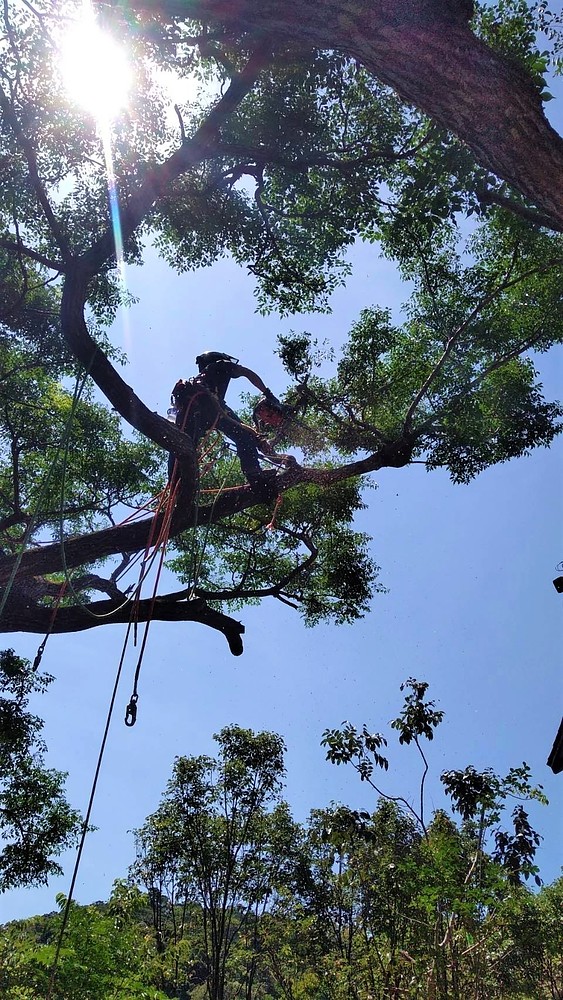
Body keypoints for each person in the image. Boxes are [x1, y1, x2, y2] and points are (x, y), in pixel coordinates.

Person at [168, 351, 291, 492]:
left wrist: (262, 444)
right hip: (208, 405)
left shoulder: (200, 385)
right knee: (243, 435)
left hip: (193, 414)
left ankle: (176, 486)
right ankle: (254, 475)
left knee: (183, 447)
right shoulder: (220, 365)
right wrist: (267, 393)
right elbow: (247, 373)